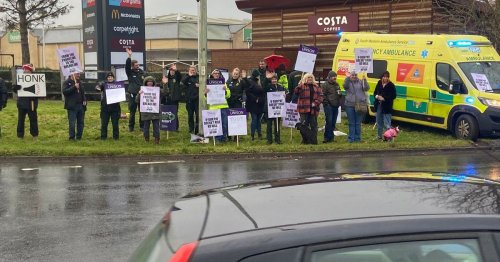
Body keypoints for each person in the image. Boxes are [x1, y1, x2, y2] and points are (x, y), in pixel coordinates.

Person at [293, 73, 323, 144]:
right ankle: (305, 140)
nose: (310, 79)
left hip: (313, 109)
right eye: (308, 77)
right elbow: (296, 92)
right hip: (304, 109)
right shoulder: (302, 86)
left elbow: (321, 96)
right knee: (303, 126)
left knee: (314, 126)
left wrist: (315, 103)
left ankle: (314, 140)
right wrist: (299, 85)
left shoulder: (316, 86)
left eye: (311, 77)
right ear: (305, 78)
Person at [12, 64, 39, 140]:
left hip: (32, 103)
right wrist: (15, 88)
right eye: (24, 70)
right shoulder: (20, 79)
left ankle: (35, 135)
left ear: (30, 71)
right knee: (20, 120)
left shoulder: (36, 79)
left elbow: (40, 90)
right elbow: (14, 89)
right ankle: (20, 135)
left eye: (26, 70)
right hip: (21, 103)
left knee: (33, 120)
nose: (25, 71)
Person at [343, 71, 369, 143]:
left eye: (355, 75)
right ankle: (351, 138)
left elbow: (366, 88)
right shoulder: (347, 82)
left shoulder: (361, 81)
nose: (354, 76)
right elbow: (345, 86)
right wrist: (348, 78)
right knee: (351, 123)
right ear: (350, 75)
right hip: (349, 105)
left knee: (358, 123)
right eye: (352, 75)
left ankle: (357, 138)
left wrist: (364, 80)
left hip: (360, 105)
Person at [205, 69, 231, 142]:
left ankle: (223, 138)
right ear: (212, 75)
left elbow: (229, 95)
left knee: (224, 124)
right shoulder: (209, 84)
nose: (216, 74)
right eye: (215, 73)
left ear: (219, 75)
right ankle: (218, 139)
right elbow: (206, 98)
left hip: (223, 107)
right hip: (214, 107)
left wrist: (225, 91)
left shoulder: (223, 83)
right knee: (216, 125)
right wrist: (205, 93)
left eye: (218, 73)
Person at [95, 72, 121, 140]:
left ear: (113, 77)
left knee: (115, 124)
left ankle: (116, 138)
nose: (110, 78)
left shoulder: (117, 84)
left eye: (111, 77)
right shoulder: (104, 84)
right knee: (104, 124)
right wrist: (98, 88)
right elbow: (98, 86)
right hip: (105, 107)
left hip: (115, 107)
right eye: (109, 77)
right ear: (107, 78)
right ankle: (103, 137)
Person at [137, 76, 163, 144]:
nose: (149, 83)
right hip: (146, 112)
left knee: (156, 126)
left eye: (151, 82)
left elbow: (166, 93)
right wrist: (139, 94)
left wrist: (165, 84)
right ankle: (146, 138)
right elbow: (136, 100)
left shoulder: (157, 90)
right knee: (146, 126)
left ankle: (157, 139)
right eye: (148, 82)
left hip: (155, 111)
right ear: (145, 83)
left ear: (153, 83)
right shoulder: (142, 90)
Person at [125, 48, 145, 132]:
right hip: (133, 95)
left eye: (138, 65)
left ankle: (142, 126)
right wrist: (129, 56)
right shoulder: (130, 73)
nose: (138, 66)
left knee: (142, 111)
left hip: (141, 95)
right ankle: (131, 127)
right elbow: (127, 66)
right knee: (132, 112)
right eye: (136, 65)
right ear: (132, 66)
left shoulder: (142, 73)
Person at [263, 73, 286, 144]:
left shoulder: (280, 87)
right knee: (269, 125)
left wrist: (285, 95)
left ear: (277, 79)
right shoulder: (268, 86)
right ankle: (269, 140)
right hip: (269, 109)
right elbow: (263, 85)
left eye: (275, 79)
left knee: (277, 125)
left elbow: (285, 94)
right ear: (271, 80)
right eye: (272, 79)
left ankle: (277, 139)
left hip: (278, 109)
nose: (274, 80)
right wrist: (267, 78)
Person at [63, 72, 87, 140]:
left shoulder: (80, 82)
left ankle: (79, 137)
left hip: (81, 106)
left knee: (81, 122)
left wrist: (84, 100)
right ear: (72, 74)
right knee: (72, 123)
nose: (79, 75)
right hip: (72, 106)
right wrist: (74, 87)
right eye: (77, 74)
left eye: (79, 74)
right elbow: (65, 92)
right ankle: (72, 138)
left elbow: (83, 93)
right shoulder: (66, 82)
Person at [373, 71, 397, 139]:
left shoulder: (391, 85)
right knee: (378, 121)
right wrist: (377, 96)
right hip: (378, 105)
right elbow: (375, 92)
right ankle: (379, 136)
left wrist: (384, 98)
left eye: (386, 77)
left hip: (387, 106)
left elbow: (394, 96)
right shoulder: (379, 83)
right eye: (384, 77)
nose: (385, 78)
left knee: (387, 123)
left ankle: (388, 137)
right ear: (382, 77)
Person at [321, 71, 342, 143]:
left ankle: (331, 138)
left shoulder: (337, 84)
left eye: (335, 76)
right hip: (328, 105)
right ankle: (326, 138)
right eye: (333, 76)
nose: (335, 77)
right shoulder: (325, 85)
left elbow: (339, 93)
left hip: (336, 105)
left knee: (333, 122)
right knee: (329, 121)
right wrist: (327, 103)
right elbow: (323, 95)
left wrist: (340, 94)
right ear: (329, 77)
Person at [243, 69, 265, 141]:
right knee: (254, 119)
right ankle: (252, 135)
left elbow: (262, 92)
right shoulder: (250, 82)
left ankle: (259, 134)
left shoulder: (258, 82)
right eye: (258, 75)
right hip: (253, 104)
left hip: (259, 104)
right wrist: (255, 98)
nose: (259, 76)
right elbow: (248, 92)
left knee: (258, 120)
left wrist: (260, 100)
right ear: (255, 75)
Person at [164, 64, 182, 131]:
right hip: (167, 98)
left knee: (174, 112)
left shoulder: (177, 78)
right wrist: (165, 69)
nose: (172, 71)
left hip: (175, 98)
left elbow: (179, 75)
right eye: (171, 70)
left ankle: (176, 127)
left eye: (173, 70)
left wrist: (176, 70)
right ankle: (168, 126)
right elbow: (164, 75)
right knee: (167, 112)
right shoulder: (167, 78)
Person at [182, 65, 199, 134]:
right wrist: (189, 76)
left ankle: (197, 129)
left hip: (197, 99)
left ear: (196, 70)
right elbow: (183, 82)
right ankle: (191, 129)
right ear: (189, 71)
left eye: (194, 70)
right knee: (190, 115)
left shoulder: (199, 77)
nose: (193, 71)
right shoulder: (186, 77)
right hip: (189, 100)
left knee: (198, 115)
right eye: (191, 70)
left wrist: (200, 85)